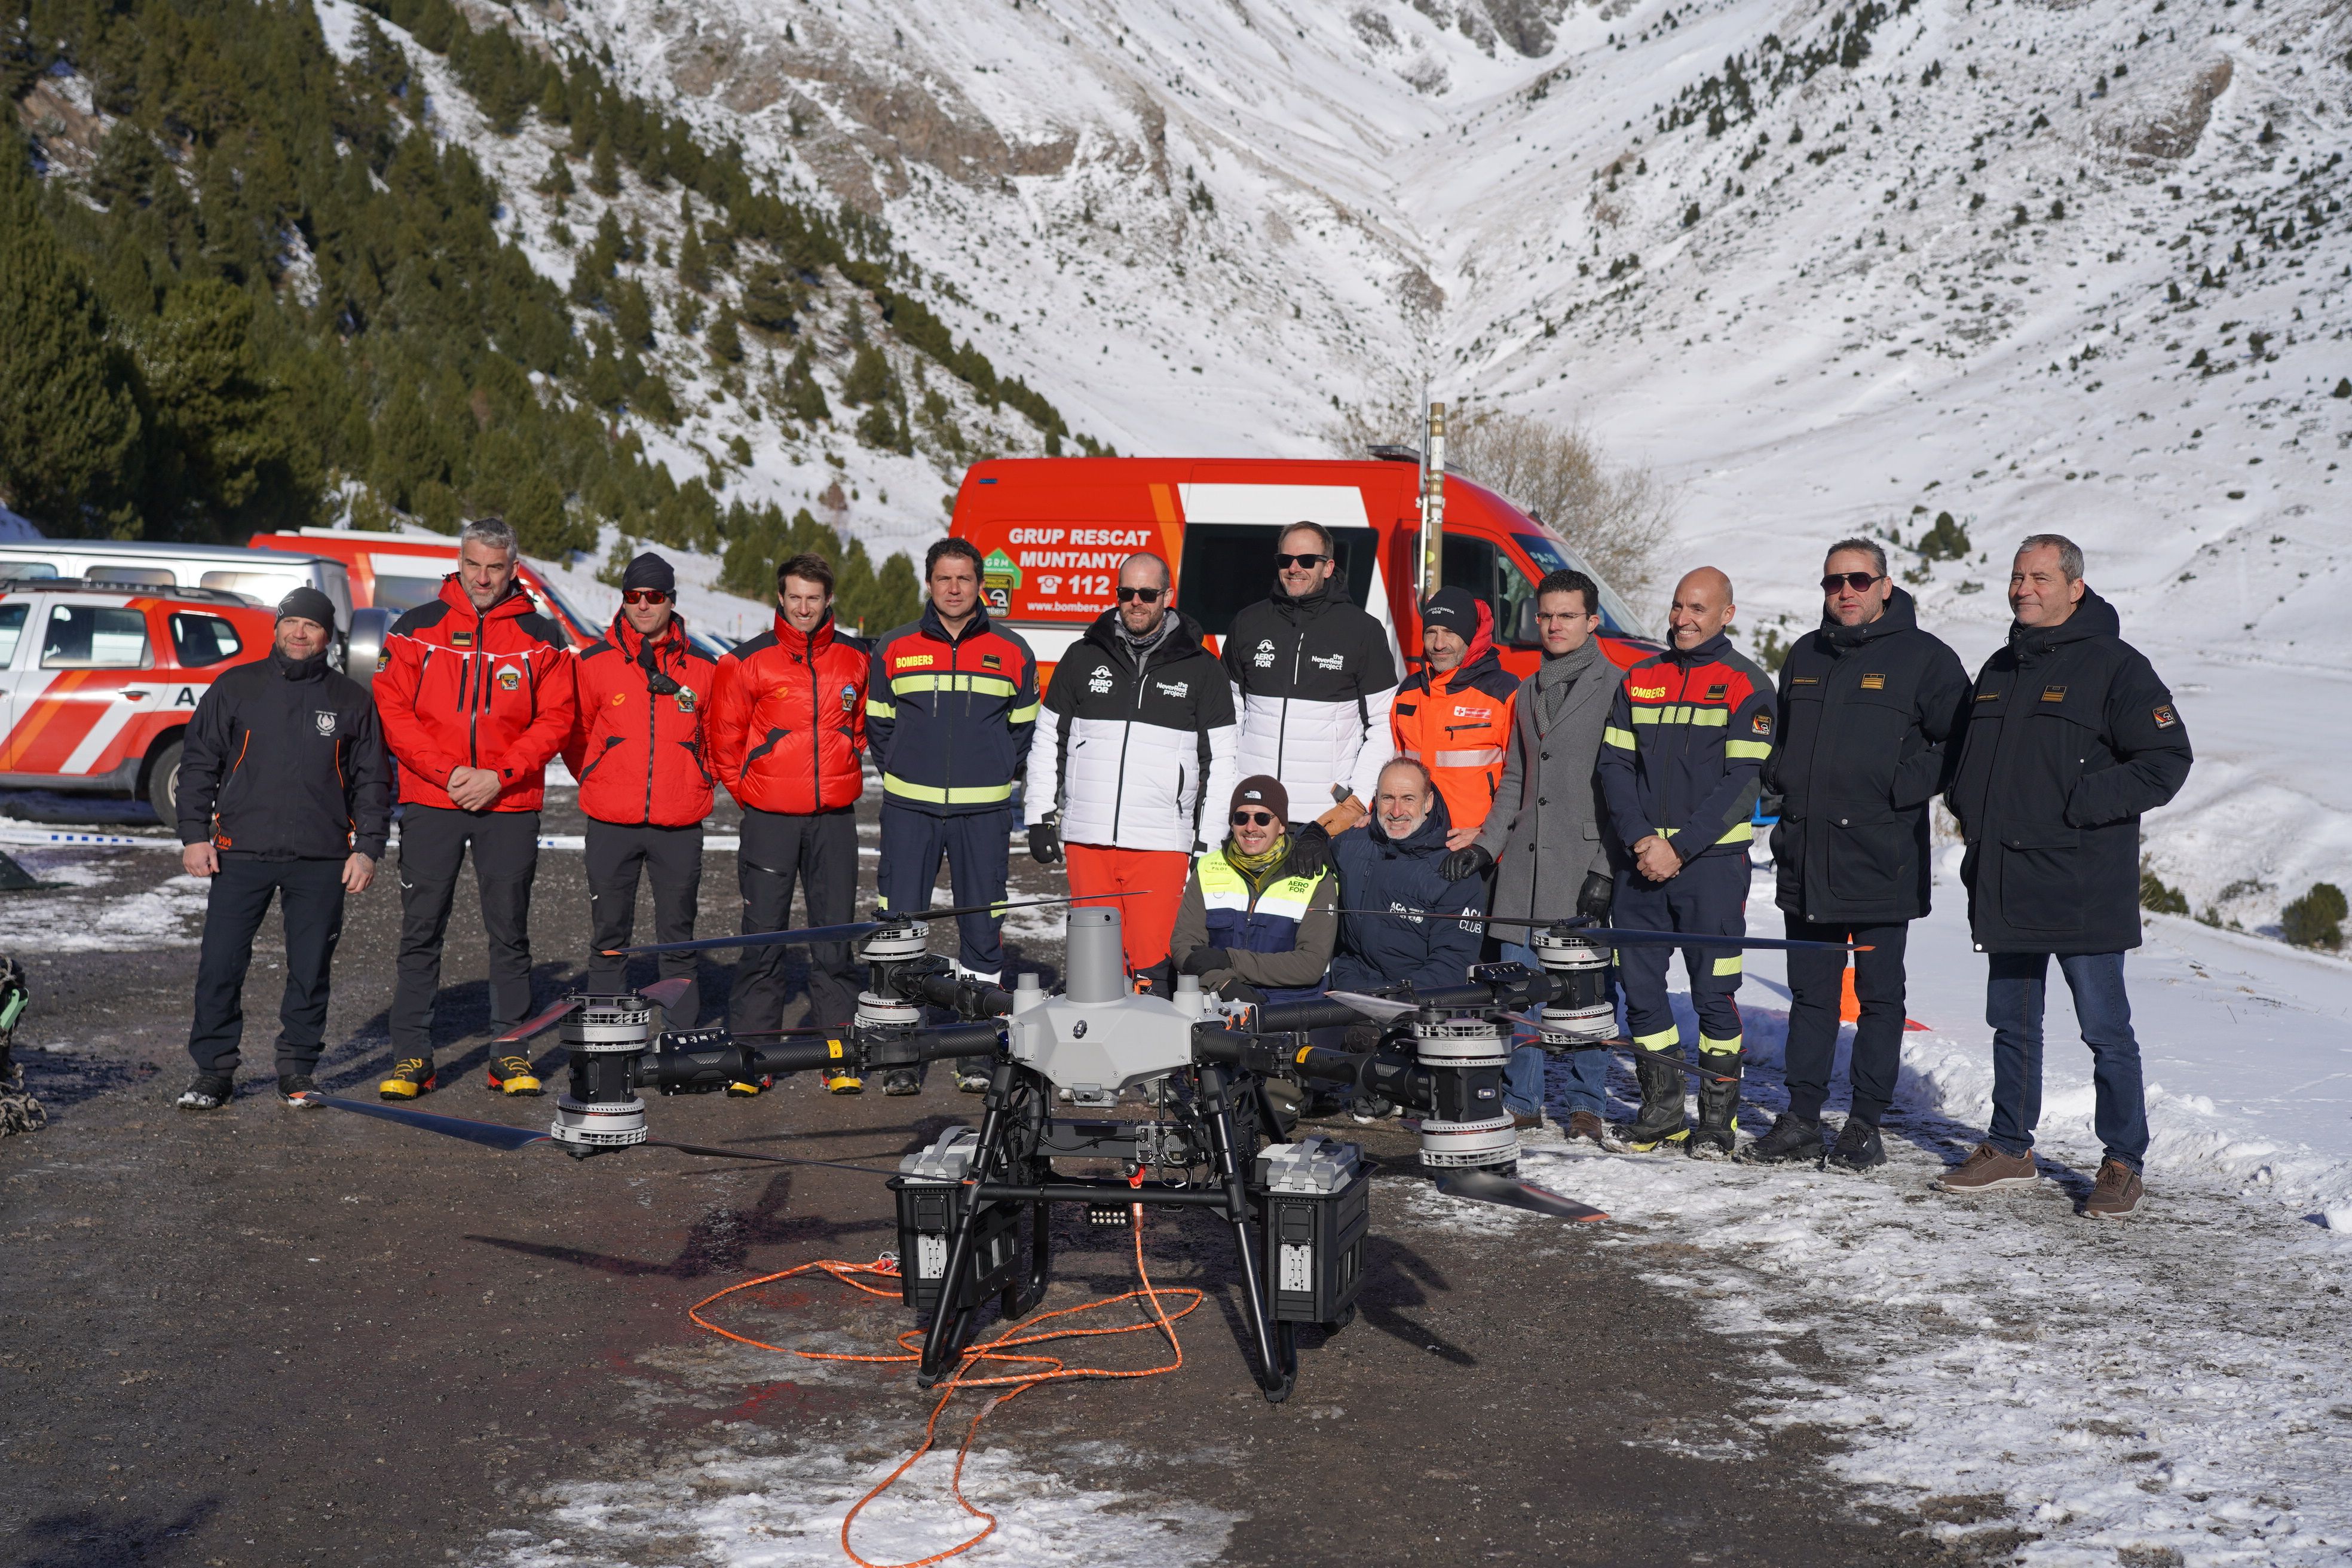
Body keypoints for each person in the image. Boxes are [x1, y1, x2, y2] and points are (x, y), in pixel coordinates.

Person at [1936, 535, 2191, 1219]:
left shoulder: (2116, 666)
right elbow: (1964, 760)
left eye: (2040, 577)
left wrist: (2077, 806)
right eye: (2017, 577)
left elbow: (2167, 758)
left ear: (2075, 586)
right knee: (2011, 1022)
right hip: (2006, 877)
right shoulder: (1999, 666)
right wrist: (1971, 812)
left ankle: (2122, 1160)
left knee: (2105, 1027)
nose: (2024, 588)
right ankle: (2010, 1146)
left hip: (2083, 881)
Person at [1749, 541, 1970, 1172]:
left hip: (1880, 855)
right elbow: (1785, 738)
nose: (1844, 591)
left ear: (1884, 584)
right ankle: (1800, 1119)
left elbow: (1958, 740)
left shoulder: (1925, 658)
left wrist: (1898, 786)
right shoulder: (1806, 654)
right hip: (1806, 854)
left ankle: (1865, 1122)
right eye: (1833, 581)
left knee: (1878, 996)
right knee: (1811, 995)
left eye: (1857, 579)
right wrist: (1781, 778)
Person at [373, 516, 576, 1100]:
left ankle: (509, 1053)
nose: (483, 577)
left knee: (509, 931)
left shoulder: (542, 634)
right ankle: (413, 1055)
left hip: (508, 801)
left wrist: (500, 775)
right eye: (473, 565)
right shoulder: (416, 628)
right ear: (457, 563)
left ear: (513, 568)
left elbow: (557, 718)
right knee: (421, 928)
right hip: (432, 798)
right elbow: (395, 711)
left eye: (495, 566)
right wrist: (448, 772)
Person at [174, 589, 388, 1110]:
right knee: (221, 963)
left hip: (320, 858)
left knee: (311, 968)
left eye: (310, 626)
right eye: (290, 622)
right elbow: (200, 763)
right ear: (275, 628)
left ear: (327, 636)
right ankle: (214, 1072)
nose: (299, 633)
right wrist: (195, 835)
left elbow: (374, 782)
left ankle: (297, 1070)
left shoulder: (351, 700)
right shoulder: (236, 687)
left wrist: (368, 849)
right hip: (239, 851)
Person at [1597, 566, 1776, 1158]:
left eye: (1699, 608)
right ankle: (1662, 1111)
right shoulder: (1640, 677)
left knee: (1714, 997)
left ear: (1726, 613)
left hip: (1711, 870)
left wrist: (1681, 846)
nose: (1683, 619)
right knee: (1642, 994)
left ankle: (1715, 1120)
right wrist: (1642, 838)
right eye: (1678, 606)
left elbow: (1742, 783)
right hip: (1640, 865)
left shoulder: (1747, 684)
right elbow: (1614, 768)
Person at [1451, 569, 1618, 1141]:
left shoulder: (1617, 687)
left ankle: (1586, 1105)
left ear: (1593, 621)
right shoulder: (1525, 690)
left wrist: (1606, 870)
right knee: (1518, 990)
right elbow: (1516, 783)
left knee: (1582, 995)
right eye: (1546, 615)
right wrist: (1484, 848)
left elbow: (1622, 792)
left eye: (1567, 615)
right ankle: (1523, 1100)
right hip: (1521, 870)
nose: (1554, 625)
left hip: (1581, 868)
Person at [867, 538, 1038, 1091]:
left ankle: (974, 1051)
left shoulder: (1013, 650)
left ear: (979, 583)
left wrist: (992, 774)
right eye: (944, 578)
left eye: (964, 578)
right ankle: (898, 1053)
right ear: (930, 583)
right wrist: (901, 770)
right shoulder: (893, 647)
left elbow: (1023, 728)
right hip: (909, 811)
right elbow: (879, 724)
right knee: (899, 929)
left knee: (981, 932)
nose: (955, 588)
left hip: (983, 816)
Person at [1027, 552, 1236, 982]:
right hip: (1088, 838)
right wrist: (1038, 815)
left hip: (1161, 842)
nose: (1136, 602)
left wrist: (1209, 839)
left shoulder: (1202, 668)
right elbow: (1049, 738)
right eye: (1126, 592)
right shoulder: (1082, 656)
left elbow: (1222, 762)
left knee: (1153, 961)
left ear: (1167, 596)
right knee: (1095, 966)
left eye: (1146, 593)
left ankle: (1155, 1048)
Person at [707, 552, 869, 1091]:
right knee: (763, 938)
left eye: (814, 598)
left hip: (834, 821)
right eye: (795, 597)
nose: (803, 607)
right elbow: (724, 741)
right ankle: (753, 1058)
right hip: (770, 820)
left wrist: (843, 763)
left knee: (834, 938)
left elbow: (862, 727)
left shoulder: (854, 658)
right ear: (781, 597)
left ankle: (839, 1052)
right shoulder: (746, 661)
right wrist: (751, 793)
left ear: (829, 601)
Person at [564, 552, 719, 1034]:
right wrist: (600, 776)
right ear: (623, 600)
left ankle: (682, 1042)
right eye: (634, 596)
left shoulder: (705, 668)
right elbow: (576, 736)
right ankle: (608, 1038)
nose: (644, 606)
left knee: (677, 938)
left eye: (654, 597)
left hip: (679, 821)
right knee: (609, 933)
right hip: (612, 822)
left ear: (671, 601)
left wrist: (696, 776)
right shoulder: (594, 664)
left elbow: (716, 736)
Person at [1222, 522, 1399, 878]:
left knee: (1314, 932)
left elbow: (1384, 726)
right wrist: (1231, 796)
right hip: (1253, 818)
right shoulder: (1248, 623)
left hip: (1322, 823)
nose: (1295, 567)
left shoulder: (1362, 630)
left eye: (1306, 559)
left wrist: (1355, 802)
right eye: (1286, 559)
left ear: (1328, 567)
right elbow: (1229, 718)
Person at [1168, 775, 1337, 1005]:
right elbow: (1185, 947)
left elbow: (1310, 964)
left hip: (1290, 1011)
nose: (1250, 828)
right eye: (1241, 818)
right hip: (1217, 1003)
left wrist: (1230, 961)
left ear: (1282, 826)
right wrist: (1225, 984)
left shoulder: (1315, 876)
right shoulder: (1208, 869)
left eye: (1263, 818)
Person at [1330, 757, 1486, 996]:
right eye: (1387, 798)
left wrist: (1400, 999)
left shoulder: (1455, 868)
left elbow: (1454, 961)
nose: (1396, 812)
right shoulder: (1353, 844)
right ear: (1376, 800)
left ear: (1428, 802)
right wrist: (1311, 836)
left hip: (1419, 1004)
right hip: (1350, 990)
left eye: (1408, 799)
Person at [1392, 584, 1517, 844]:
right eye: (1431, 632)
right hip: (1412, 842)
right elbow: (1392, 764)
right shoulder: (1408, 691)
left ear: (1471, 637)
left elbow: (1522, 780)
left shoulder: (1504, 692)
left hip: (1474, 846)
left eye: (1450, 632)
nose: (1439, 644)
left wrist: (1487, 837)